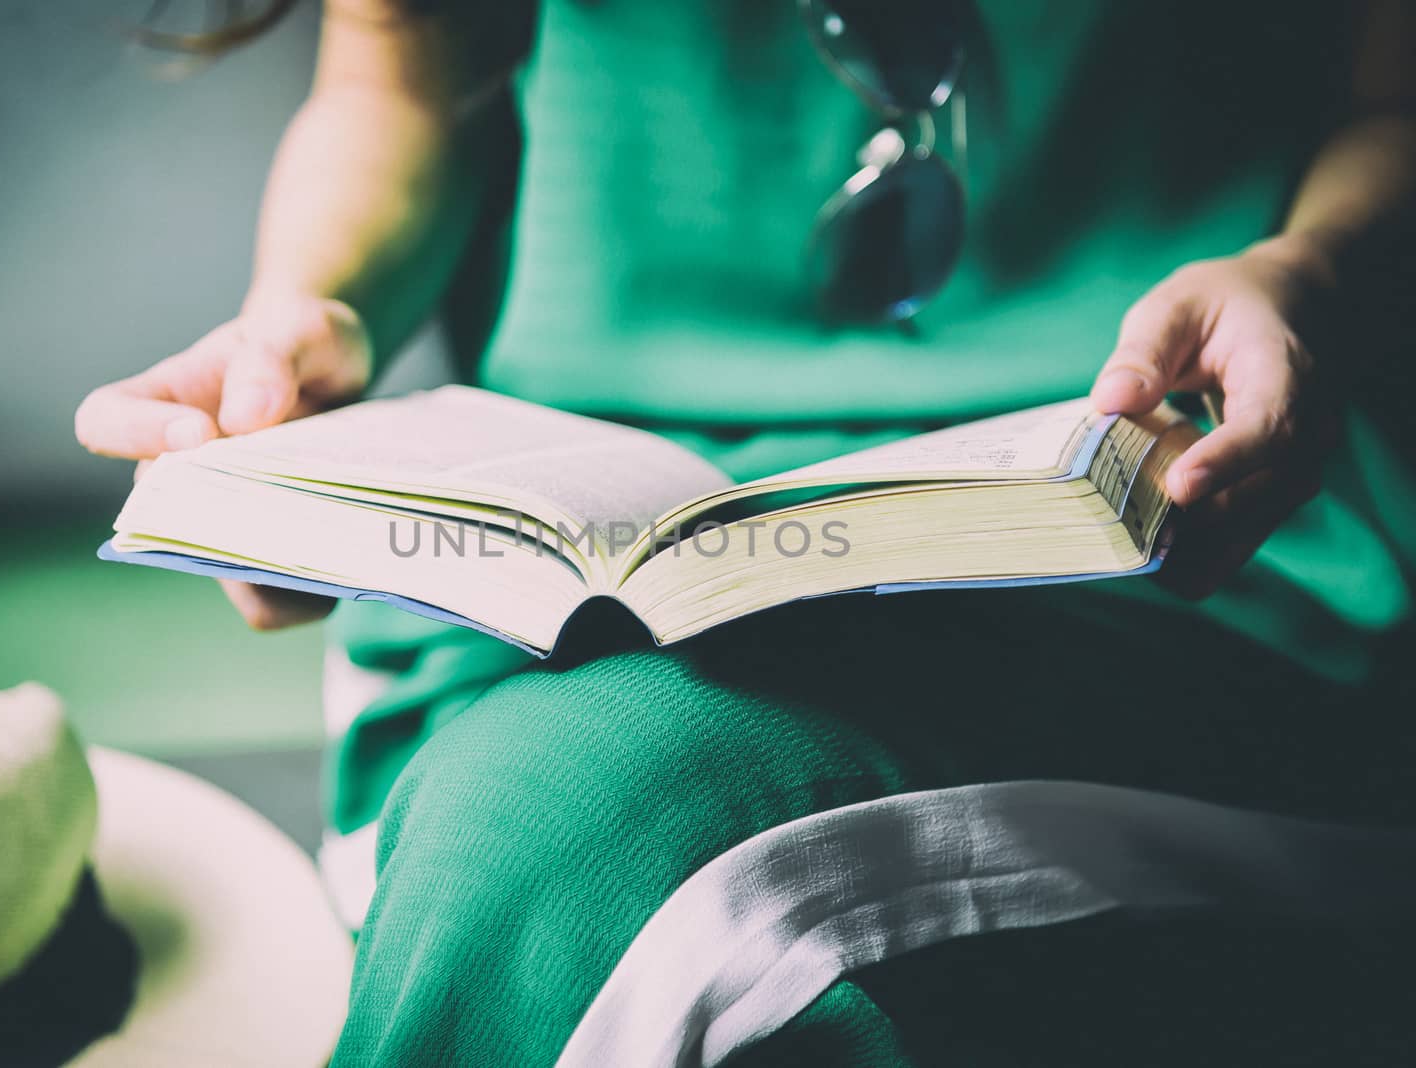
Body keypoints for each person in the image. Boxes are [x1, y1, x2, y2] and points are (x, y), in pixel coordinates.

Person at [75, 1, 1416, 1063]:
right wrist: (308, 320)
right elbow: (405, 74)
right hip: (537, 602)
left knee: (576, 845)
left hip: (1175, 533)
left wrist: (1312, 278)